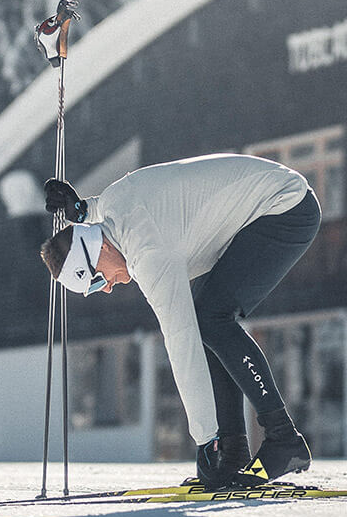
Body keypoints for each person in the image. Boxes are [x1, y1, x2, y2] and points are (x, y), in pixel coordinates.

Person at [39, 153, 322, 490]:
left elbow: (181, 344)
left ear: (96, 251)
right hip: (263, 202)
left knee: (209, 319)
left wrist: (205, 441)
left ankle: (282, 438)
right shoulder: (117, 203)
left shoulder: (148, 254)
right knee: (209, 321)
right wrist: (82, 210)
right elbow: (108, 212)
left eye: (98, 281)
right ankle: (233, 453)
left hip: (285, 207)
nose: (109, 287)